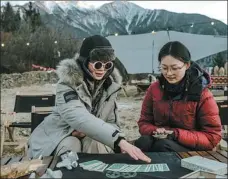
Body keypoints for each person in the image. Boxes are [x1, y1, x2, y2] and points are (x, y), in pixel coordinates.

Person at [27, 35, 151, 163]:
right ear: (85, 61)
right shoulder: (67, 84)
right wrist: (119, 140)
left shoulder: (109, 87)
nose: (102, 69)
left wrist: (92, 133)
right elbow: (77, 116)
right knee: (71, 144)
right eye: (97, 64)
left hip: (90, 138)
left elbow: (112, 122)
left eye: (107, 65)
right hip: (59, 136)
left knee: (95, 143)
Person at [135, 41, 222, 152]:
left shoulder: (202, 93)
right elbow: (144, 122)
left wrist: (176, 134)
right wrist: (155, 130)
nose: (169, 73)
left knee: (162, 146)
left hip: (192, 147)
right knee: (142, 142)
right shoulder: (154, 89)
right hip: (162, 140)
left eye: (174, 68)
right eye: (164, 68)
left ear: (187, 65)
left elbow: (212, 137)